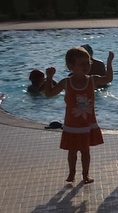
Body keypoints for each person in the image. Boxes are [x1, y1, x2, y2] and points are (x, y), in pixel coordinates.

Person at [44, 46, 114, 184]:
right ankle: (72, 173)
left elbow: (108, 79)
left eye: (88, 63)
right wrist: (49, 77)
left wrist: (109, 62)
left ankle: (85, 175)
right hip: (71, 124)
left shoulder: (92, 80)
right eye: (82, 64)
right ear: (71, 66)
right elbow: (49, 93)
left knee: (85, 151)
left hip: (87, 124)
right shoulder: (66, 82)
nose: (86, 66)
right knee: (72, 151)